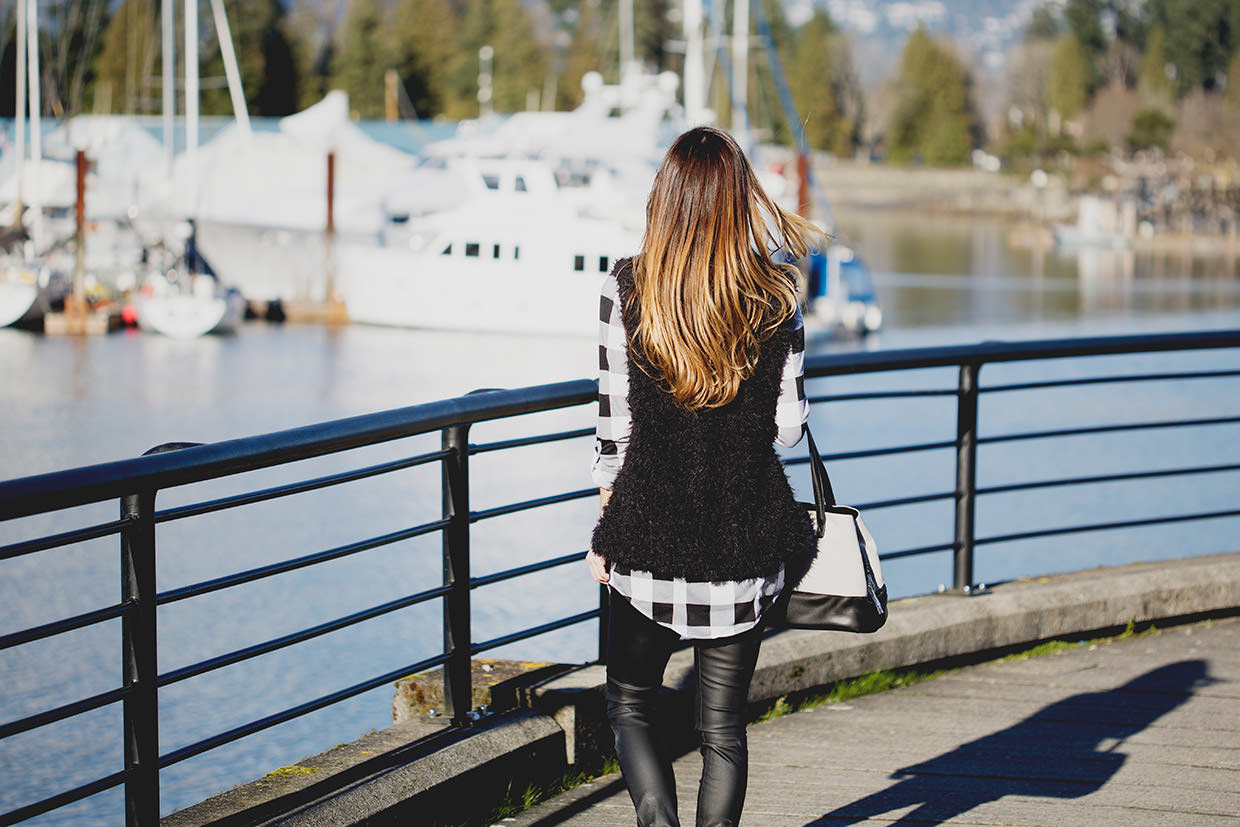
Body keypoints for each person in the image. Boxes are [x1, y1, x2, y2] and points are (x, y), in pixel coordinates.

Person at [586, 125, 823, 827]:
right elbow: (789, 428)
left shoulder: (625, 286)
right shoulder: (777, 293)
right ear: (739, 200)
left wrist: (607, 526)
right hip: (741, 549)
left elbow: (614, 429)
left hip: (645, 545)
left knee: (629, 702)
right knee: (722, 730)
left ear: (666, 198)